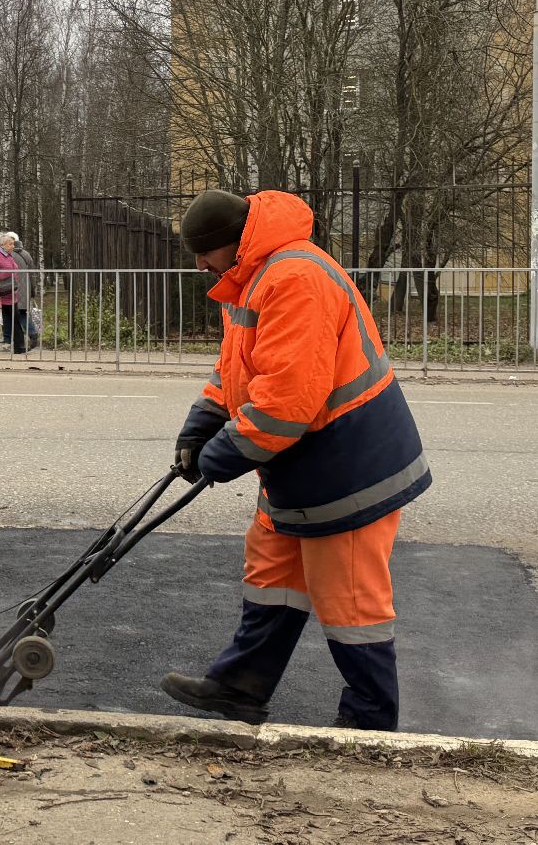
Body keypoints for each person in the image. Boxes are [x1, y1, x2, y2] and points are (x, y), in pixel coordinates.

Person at [161, 188, 430, 732]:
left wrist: (224, 453)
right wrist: (204, 418)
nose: (198, 264)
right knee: (273, 571)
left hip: (350, 468)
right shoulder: (252, 281)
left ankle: (370, 723)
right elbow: (238, 369)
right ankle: (240, 686)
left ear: (232, 245)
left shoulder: (294, 279)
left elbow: (288, 400)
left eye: (203, 252)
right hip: (303, 466)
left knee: (350, 603)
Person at [7, 232, 38, 350]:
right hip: (25, 290)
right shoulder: (26, 254)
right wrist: (32, 290)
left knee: (14, 316)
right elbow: (32, 275)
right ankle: (31, 334)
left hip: (13, 289)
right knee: (22, 314)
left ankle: (18, 341)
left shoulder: (8, 255)